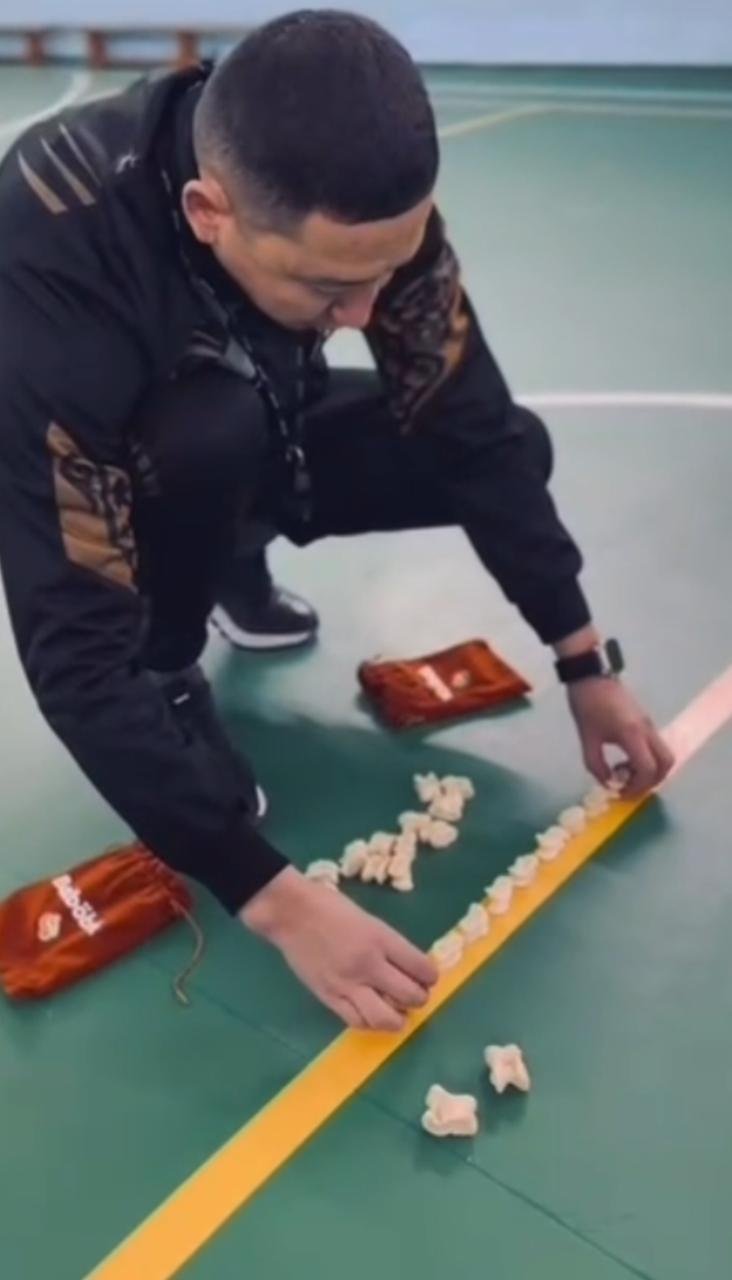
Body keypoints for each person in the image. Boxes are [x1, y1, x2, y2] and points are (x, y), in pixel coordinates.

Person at [0, 10, 673, 1031]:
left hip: (267, 411)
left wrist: (583, 658)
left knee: (508, 445)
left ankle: (233, 552)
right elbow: (74, 653)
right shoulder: (50, 257)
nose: (365, 313)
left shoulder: (362, 212)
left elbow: (468, 421)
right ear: (208, 211)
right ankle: (176, 653)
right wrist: (271, 895)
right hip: (139, 461)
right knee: (206, 432)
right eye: (329, 285)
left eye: (385, 273)